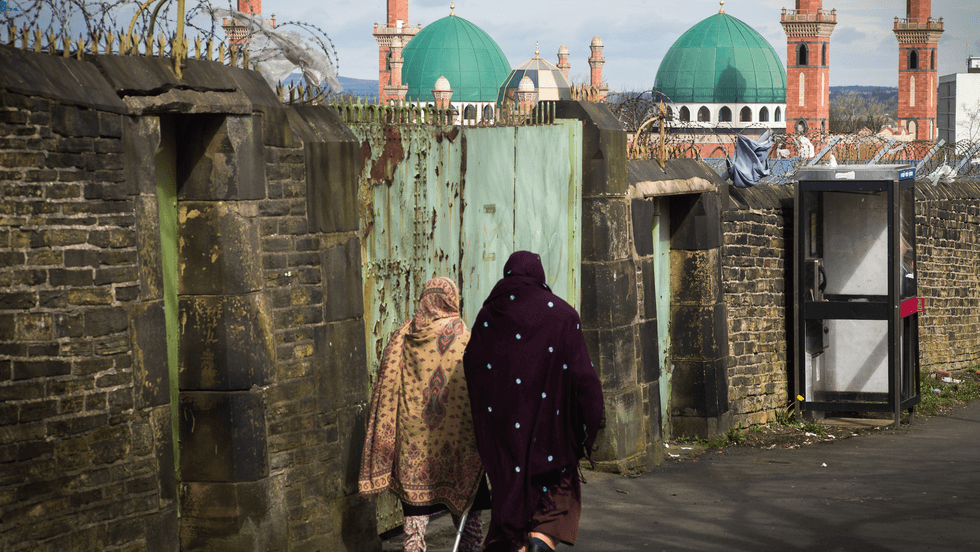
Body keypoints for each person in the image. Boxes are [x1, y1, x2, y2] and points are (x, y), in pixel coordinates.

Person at [463, 251, 604, 552]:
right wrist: (586, 431)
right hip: (551, 438)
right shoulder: (563, 316)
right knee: (552, 502)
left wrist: (488, 425)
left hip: (504, 441)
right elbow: (585, 382)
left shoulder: (488, 317)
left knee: (510, 505)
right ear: (539, 276)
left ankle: (523, 544)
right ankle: (540, 541)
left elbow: (473, 366)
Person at [359, 277, 489, 552]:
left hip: (415, 445)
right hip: (458, 443)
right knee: (469, 523)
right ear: (451, 300)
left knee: (414, 525)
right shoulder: (464, 336)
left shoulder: (404, 337)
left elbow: (388, 388)